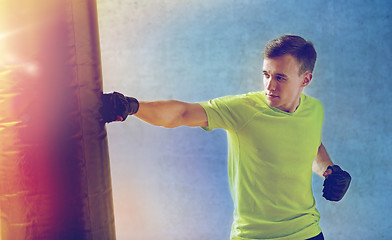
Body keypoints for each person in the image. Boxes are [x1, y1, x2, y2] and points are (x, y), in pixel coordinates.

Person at [100, 35, 351, 240]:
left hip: (308, 233)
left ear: (305, 79)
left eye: (280, 77)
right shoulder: (243, 109)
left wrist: (330, 170)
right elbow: (183, 113)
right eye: (266, 74)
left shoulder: (315, 110)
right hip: (255, 236)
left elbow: (311, 144)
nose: (270, 86)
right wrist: (133, 107)